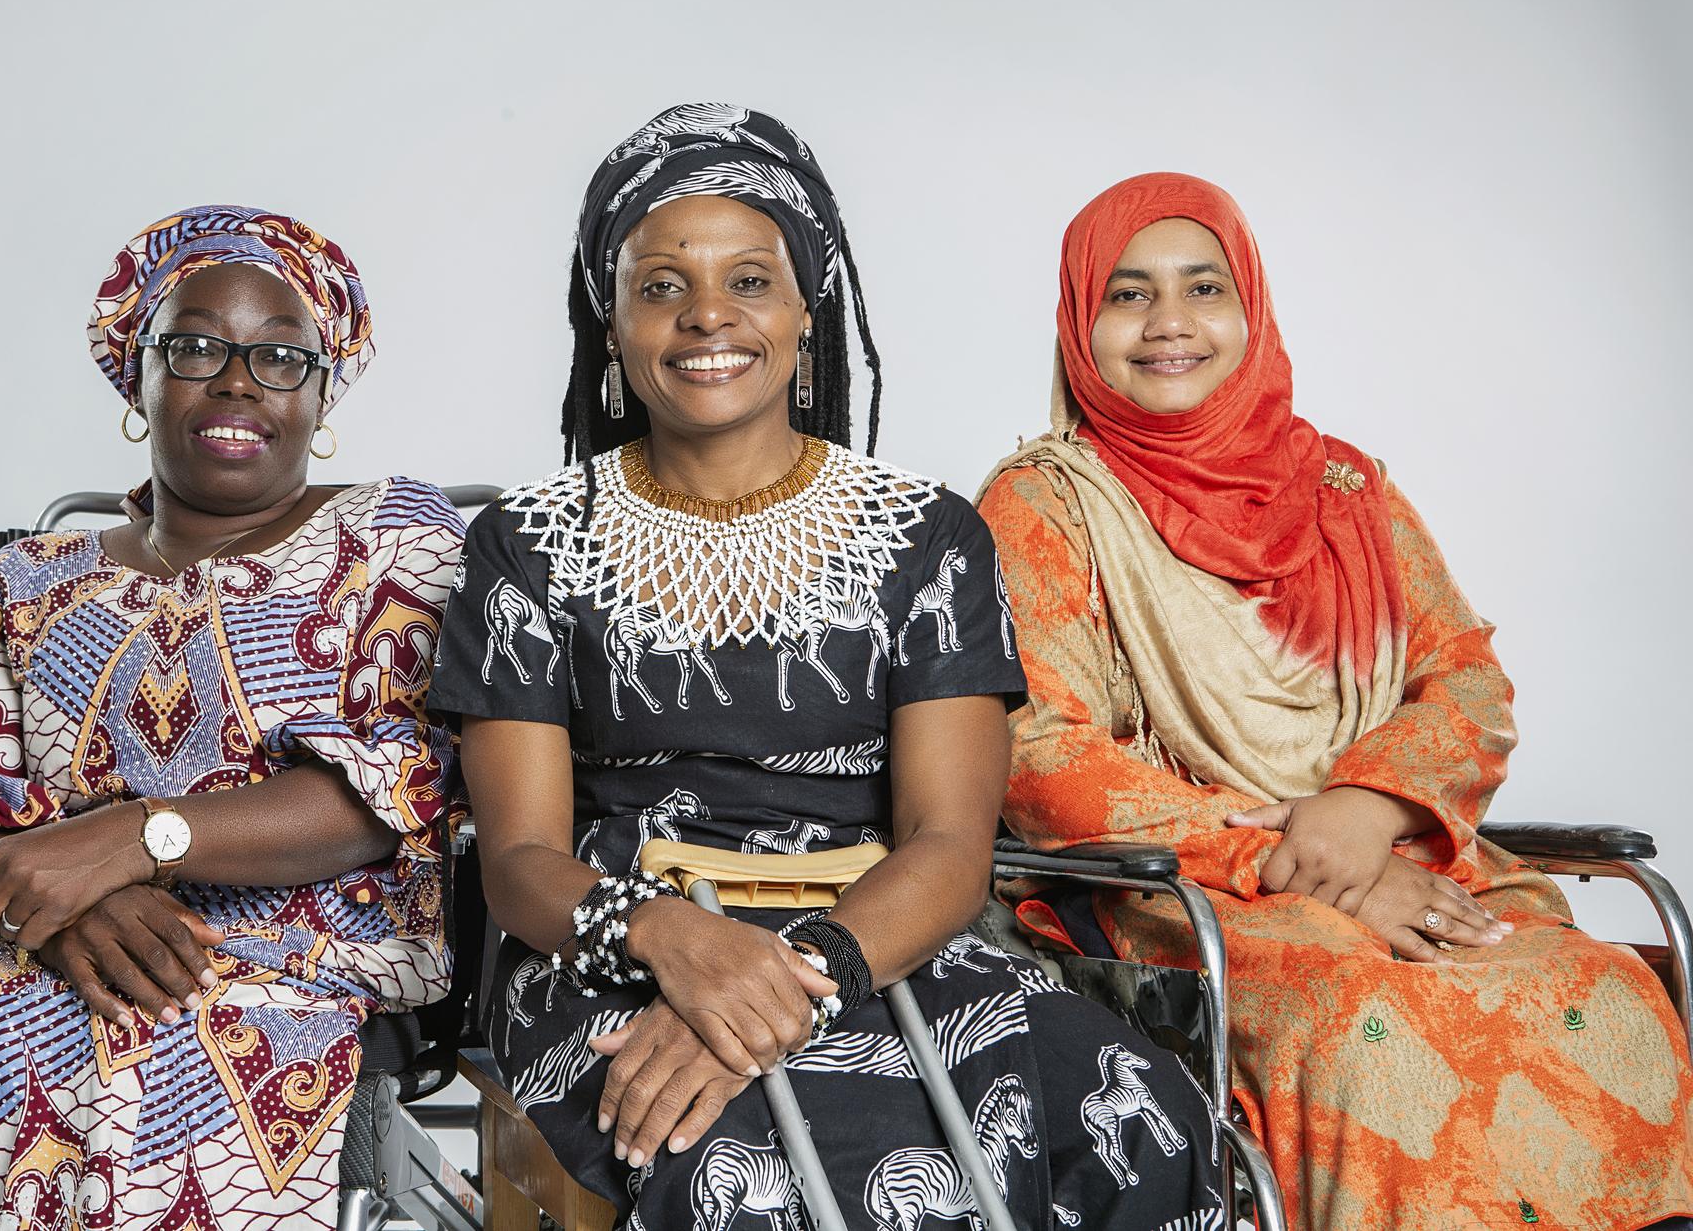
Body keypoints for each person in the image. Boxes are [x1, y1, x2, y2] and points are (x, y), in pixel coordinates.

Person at [429, 105, 1224, 1229]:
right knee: (757, 1173)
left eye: (750, 281)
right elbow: (517, 859)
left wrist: (789, 980)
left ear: (808, 311)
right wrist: (673, 942)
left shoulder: (926, 537)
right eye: (661, 286)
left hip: (880, 936)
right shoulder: (527, 543)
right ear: (612, 325)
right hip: (615, 947)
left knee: (1145, 1117)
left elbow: (950, 845)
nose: (708, 313)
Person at [979, 171, 1693, 1230]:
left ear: (1251, 308)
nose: (1169, 321)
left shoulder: (1344, 491)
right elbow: (1039, 755)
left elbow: (1465, 677)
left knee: (1613, 993)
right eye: (1127, 294)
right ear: (1079, 322)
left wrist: (1365, 810)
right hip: (1181, 894)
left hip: (1400, 856)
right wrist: (1302, 860)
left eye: (1204, 287)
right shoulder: (1045, 505)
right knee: (1369, 1022)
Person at [0, 207, 464, 1230]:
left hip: (294, 962)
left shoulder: (391, 539)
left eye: (280, 356)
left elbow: (389, 792)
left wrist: (132, 838)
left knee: (160, 1055)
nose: (238, 381)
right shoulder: (21, 584)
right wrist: (65, 909)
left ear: (321, 393)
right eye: (196, 347)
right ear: (139, 375)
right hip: (39, 953)